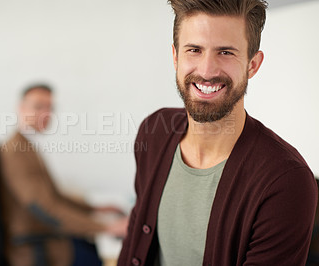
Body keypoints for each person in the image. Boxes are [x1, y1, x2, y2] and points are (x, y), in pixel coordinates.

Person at [118, 0, 317, 265]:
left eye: (225, 52)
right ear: (176, 57)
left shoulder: (285, 182)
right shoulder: (154, 132)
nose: (207, 70)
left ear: (252, 64)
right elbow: (135, 237)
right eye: (194, 50)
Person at [0, 84, 128, 266]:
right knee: (102, 257)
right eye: (38, 107)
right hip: (36, 246)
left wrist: (94, 209)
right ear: (21, 108)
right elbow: (44, 207)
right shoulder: (15, 152)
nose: (46, 114)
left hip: (46, 235)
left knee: (95, 248)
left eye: (50, 108)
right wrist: (106, 227)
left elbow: (55, 195)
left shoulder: (27, 146)